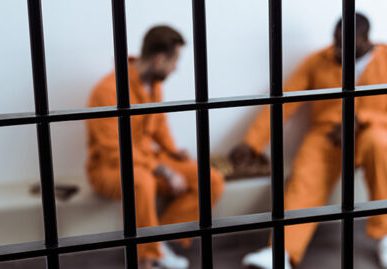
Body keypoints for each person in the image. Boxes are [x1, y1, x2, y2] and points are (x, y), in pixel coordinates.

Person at [229, 13, 387, 269]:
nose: (338, 49)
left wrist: (361, 119)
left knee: (382, 147)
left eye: (346, 44)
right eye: (335, 42)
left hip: (372, 133)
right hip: (327, 137)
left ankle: (386, 236)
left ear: (365, 39)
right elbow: (282, 102)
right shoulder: (318, 61)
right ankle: (280, 253)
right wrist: (252, 142)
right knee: (304, 179)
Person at [86, 25, 225, 269]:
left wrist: (172, 152)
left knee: (211, 179)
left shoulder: (154, 84)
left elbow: (158, 125)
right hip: (110, 166)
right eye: (174, 61)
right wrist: (162, 169)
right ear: (160, 58)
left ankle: (161, 242)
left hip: (148, 159)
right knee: (141, 182)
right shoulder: (107, 90)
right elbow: (114, 151)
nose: (175, 69)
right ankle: (147, 258)